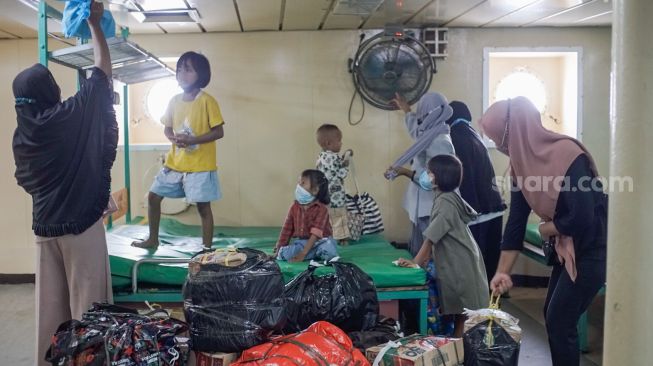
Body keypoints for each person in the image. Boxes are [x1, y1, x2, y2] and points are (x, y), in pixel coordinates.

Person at [11, 3, 116, 365]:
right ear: (48, 90)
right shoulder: (67, 117)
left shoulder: (21, 136)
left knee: (51, 315)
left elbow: (27, 181)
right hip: (80, 228)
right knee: (90, 312)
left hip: (44, 231)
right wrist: (95, 23)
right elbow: (101, 75)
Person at [480, 97, 607, 366]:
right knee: (553, 316)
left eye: (501, 141)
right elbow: (515, 223)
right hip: (568, 248)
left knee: (560, 320)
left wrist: (546, 227)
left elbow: (582, 216)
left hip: (594, 246)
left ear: (513, 132)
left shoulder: (568, 155)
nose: (502, 149)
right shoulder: (520, 168)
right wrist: (503, 271)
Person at [132, 51, 225, 250]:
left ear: (201, 74)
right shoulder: (174, 100)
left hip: (200, 165)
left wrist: (193, 139)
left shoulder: (207, 101)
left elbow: (219, 132)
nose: (182, 74)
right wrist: (173, 138)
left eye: (188, 70)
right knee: (153, 197)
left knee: (203, 207)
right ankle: (153, 239)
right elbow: (167, 127)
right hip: (176, 163)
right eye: (179, 69)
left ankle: (206, 249)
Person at [398, 155, 489, 337]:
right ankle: (457, 351)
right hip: (461, 262)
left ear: (439, 177)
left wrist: (416, 262)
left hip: (461, 265)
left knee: (463, 315)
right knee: (460, 315)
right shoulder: (447, 197)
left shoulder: (445, 201)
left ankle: (458, 353)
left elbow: (432, 236)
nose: (425, 176)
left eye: (429, 172)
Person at [387, 92, 455, 256]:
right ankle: (423, 277)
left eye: (422, 114)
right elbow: (416, 132)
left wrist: (405, 172)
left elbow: (437, 179)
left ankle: (434, 281)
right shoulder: (431, 133)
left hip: (431, 207)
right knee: (421, 251)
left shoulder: (440, 141)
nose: (420, 118)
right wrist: (407, 110)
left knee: (432, 253)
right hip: (422, 206)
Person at [445, 101, 506, 284]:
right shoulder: (475, 135)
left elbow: (465, 178)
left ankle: (478, 307)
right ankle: (493, 304)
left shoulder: (454, 138)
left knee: (474, 265)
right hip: (494, 208)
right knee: (490, 262)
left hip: (477, 212)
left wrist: (465, 213)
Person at [274, 169, 338, 262]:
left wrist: (303, 254)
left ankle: (312, 253)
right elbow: (286, 230)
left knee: (328, 250)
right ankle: (314, 253)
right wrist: (279, 249)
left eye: (302, 183)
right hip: (303, 243)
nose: (298, 187)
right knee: (284, 253)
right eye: (298, 183)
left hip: (321, 241)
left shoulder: (322, 209)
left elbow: (316, 234)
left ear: (315, 190)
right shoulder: (294, 207)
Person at [316, 123, 352, 245]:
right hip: (335, 197)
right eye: (339, 141)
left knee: (327, 218)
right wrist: (346, 162)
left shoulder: (322, 156)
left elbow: (332, 170)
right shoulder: (333, 157)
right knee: (339, 217)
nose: (341, 143)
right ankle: (342, 239)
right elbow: (341, 173)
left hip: (324, 196)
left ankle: (326, 237)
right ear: (328, 143)